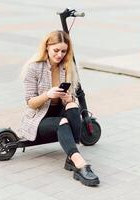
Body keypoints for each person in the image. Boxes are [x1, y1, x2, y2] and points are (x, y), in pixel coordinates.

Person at [18, 30, 100, 186]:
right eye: (56, 50)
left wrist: (70, 98)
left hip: (59, 113)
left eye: (64, 51)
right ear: (47, 47)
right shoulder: (34, 67)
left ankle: (71, 156)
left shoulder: (66, 67)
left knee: (72, 105)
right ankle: (79, 163)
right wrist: (47, 95)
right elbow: (30, 102)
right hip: (39, 118)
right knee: (62, 121)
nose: (60, 54)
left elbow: (72, 96)